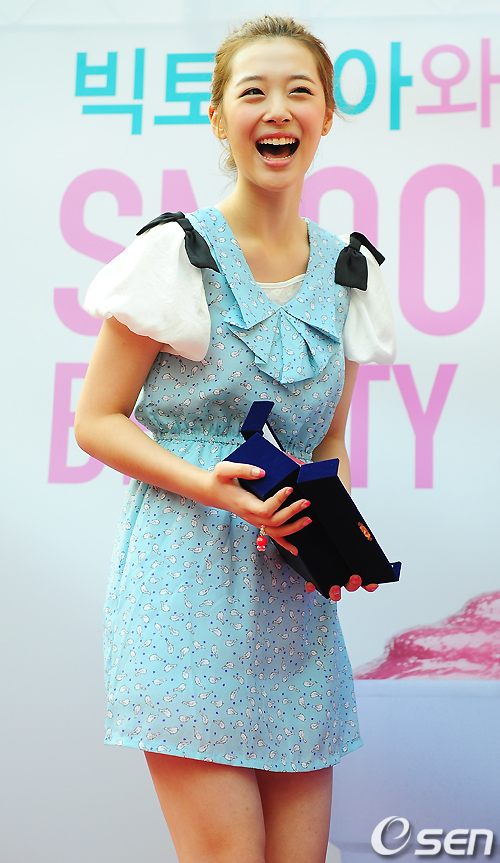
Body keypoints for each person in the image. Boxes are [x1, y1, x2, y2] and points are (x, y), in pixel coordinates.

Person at [75, 15, 396, 863]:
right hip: (182, 593)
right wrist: (208, 484)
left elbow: (329, 438)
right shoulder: (174, 254)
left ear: (326, 117)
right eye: (253, 91)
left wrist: (333, 536)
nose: (277, 109)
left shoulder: (350, 270)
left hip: (292, 607)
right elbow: (95, 419)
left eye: (299, 91)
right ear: (220, 118)